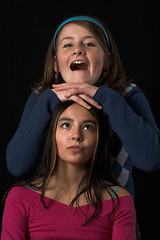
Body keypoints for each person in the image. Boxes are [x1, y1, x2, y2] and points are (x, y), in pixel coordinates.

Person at [5, 16, 160, 236]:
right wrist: (49, 102)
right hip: (52, 216)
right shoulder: (42, 98)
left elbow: (150, 159)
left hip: (113, 221)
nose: (78, 50)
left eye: (89, 43)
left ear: (107, 61)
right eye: (68, 44)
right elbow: (17, 165)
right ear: (57, 63)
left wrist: (106, 98)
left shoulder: (127, 96)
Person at [1, 101, 136, 239]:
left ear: (98, 139)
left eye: (88, 127)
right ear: (52, 134)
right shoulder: (20, 198)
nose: (76, 135)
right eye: (66, 125)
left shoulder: (120, 201)